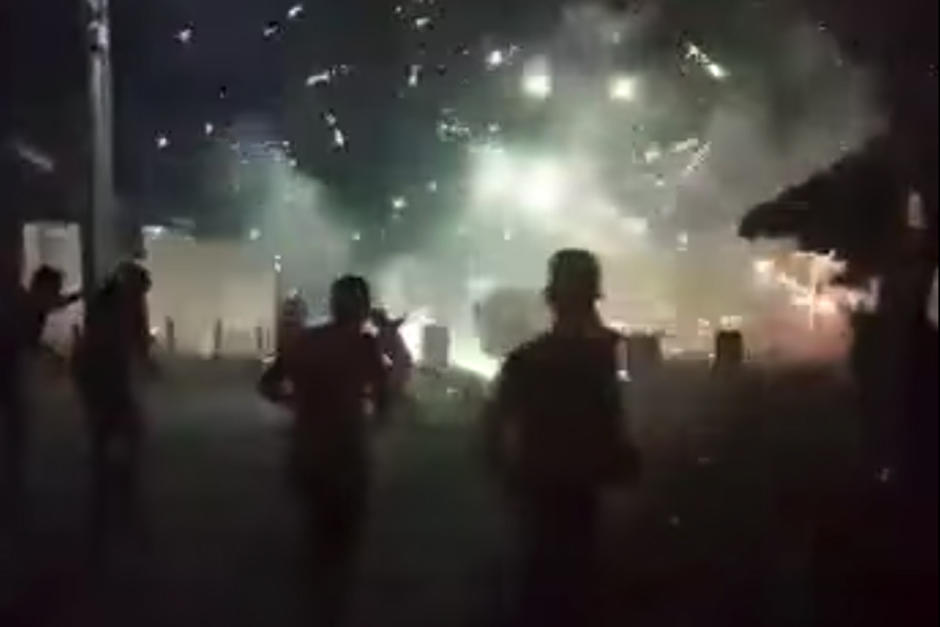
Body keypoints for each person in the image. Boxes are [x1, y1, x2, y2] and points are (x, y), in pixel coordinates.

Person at [484, 249, 639, 627]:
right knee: (575, 579)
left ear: (551, 300)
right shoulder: (599, 356)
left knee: (542, 579)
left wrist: (505, 472)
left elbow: (494, 424)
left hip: (541, 482)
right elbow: (611, 421)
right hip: (578, 483)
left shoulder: (527, 360)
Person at [259, 275, 392, 625]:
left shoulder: (306, 340)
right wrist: (372, 416)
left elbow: (267, 384)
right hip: (347, 456)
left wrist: (296, 403)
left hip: (306, 452)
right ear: (362, 308)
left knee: (315, 534)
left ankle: (311, 605)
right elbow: (384, 399)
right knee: (343, 544)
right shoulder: (365, 345)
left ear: (332, 306)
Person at [72, 260, 153, 546]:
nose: (141, 296)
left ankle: (109, 485)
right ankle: (112, 489)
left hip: (97, 372)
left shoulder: (114, 301)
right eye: (140, 291)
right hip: (98, 372)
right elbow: (128, 342)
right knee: (120, 427)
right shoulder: (115, 304)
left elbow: (137, 343)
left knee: (114, 428)